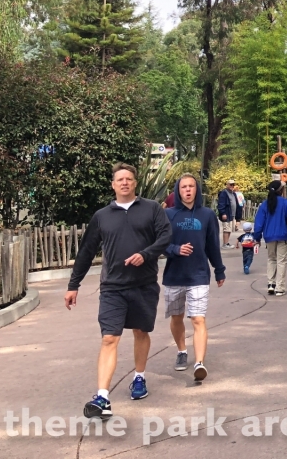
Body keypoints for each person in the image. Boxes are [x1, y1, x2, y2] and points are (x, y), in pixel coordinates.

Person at [65, 162, 172, 420]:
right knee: (109, 338)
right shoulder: (102, 216)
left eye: (129, 179)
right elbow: (87, 251)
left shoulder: (152, 209)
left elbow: (165, 237)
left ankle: (139, 378)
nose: (124, 183)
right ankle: (102, 397)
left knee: (140, 331)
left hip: (144, 285)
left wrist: (145, 255)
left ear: (135, 183)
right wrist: (73, 285)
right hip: (113, 287)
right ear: (113, 185)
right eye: (119, 179)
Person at [163, 174, 225, 382]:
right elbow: (160, 244)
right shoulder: (168, 214)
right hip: (174, 275)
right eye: (183, 187)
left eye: (191, 186)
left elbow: (212, 245)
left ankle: (199, 363)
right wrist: (176, 249)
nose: (188, 190)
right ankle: (182, 351)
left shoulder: (207, 215)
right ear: (177, 191)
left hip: (199, 274)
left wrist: (219, 269)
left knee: (198, 319)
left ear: (196, 190)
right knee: (176, 317)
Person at [253, 180, 287, 296]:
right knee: (281, 261)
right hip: (283, 235)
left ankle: (271, 284)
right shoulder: (286, 203)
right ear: (281, 190)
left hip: (269, 236)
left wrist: (257, 237)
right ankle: (280, 287)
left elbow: (259, 223)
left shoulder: (265, 204)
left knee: (271, 259)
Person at [216, 179, 238, 248]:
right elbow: (221, 204)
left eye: (233, 184)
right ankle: (225, 244)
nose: (232, 186)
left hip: (232, 214)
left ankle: (227, 243)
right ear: (227, 185)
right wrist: (223, 213)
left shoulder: (233, 193)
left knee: (229, 229)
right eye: (230, 184)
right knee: (226, 229)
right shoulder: (224, 193)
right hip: (226, 213)